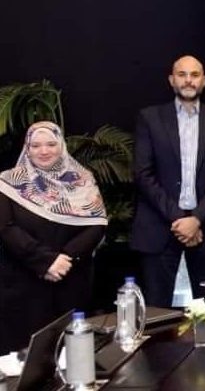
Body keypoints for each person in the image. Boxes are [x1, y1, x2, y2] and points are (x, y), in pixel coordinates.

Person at [131, 55, 205, 307]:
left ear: (204, 81)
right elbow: (143, 173)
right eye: (182, 74)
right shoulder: (150, 118)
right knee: (156, 312)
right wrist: (180, 219)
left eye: (195, 75)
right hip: (160, 226)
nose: (188, 80)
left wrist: (196, 218)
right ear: (171, 80)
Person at [0, 122, 107, 353]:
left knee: (71, 353)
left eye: (51, 144)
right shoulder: (7, 182)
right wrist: (46, 261)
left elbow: (96, 224)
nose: (44, 151)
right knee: (24, 356)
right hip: (24, 281)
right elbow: (6, 228)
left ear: (61, 146)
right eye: (36, 145)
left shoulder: (83, 179)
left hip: (70, 278)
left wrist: (66, 258)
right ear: (27, 149)